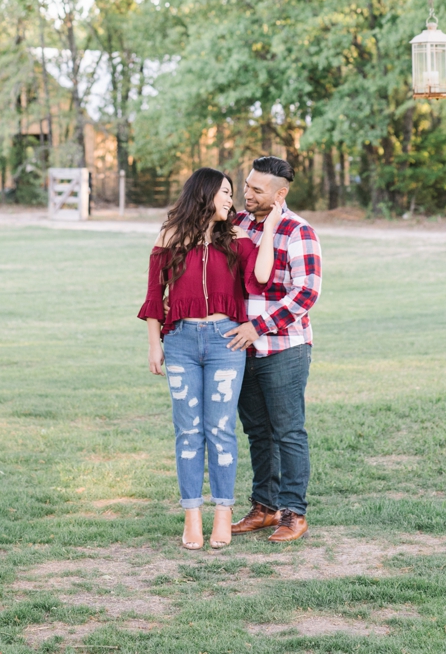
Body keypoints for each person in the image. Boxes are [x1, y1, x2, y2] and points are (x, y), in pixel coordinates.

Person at [138, 167, 251, 550]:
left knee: (220, 430)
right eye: (224, 192)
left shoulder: (236, 238)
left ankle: (223, 514)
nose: (229, 199)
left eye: (231, 193)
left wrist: (266, 232)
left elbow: (263, 278)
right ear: (204, 194)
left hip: (225, 343)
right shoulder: (169, 237)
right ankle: (192, 517)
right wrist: (156, 345)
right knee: (188, 432)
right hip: (181, 342)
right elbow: (155, 298)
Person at [225, 155, 323, 544]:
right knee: (258, 432)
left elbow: (307, 293)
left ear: (280, 194)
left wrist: (258, 327)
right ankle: (264, 508)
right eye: (246, 186)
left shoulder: (299, 231)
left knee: (288, 432)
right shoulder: (238, 225)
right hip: (242, 349)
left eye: (256, 190)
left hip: (284, 348)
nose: (246, 194)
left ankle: (293, 513)